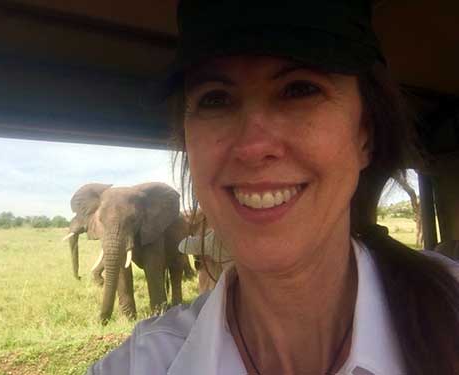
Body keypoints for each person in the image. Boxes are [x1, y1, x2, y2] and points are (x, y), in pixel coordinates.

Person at [88, 1, 459, 374]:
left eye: (299, 89)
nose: (252, 147)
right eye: (215, 98)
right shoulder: (141, 364)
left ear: (366, 135)